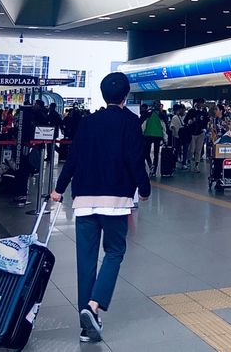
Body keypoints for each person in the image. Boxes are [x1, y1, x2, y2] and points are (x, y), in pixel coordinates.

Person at [51, 72, 151, 344]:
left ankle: (87, 328)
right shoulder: (130, 122)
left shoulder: (87, 122)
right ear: (125, 96)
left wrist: (59, 189)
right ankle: (93, 307)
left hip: (84, 199)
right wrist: (144, 189)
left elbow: (73, 158)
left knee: (86, 260)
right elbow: (135, 158)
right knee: (115, 251)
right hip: (115, 201)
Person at [184, 98, 208, 173]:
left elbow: (206, 122)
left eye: (202, 103)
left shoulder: (204, 113)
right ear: (197, 103)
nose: (202, 104)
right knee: (191, 149)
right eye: (200, 103)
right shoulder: (191, 111)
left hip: (201, 133)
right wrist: (189, 121)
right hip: (192, 133)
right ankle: (189, 161)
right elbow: (185, 120)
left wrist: (205, 128)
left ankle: (196, 165)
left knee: (198, 150)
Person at [142, 104, 166, 176]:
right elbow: (164, 126)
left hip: (148, 134)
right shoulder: (161, 114)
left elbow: (143, 123)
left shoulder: (148, 113)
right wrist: (165, 138)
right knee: (156, 154)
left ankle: (150, 165)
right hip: (158, 135)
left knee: (146, 152)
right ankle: (154, 171)